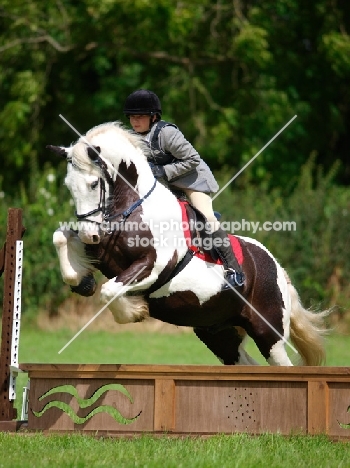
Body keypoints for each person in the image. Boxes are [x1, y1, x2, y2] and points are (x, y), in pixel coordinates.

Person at [123, 89, 245, 289]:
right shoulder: (131, 137)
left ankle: (235, 271)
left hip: (193, 182)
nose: (135, 122)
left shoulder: (167, 133)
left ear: (153, 117)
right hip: (165, 187)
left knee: (207, 219)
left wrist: (162, 171)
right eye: (131, 117)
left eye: (140, 117)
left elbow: (192, 159)